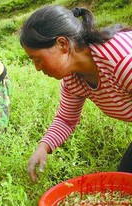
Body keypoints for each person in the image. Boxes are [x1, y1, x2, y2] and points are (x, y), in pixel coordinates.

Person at [19, 5, 132, 182]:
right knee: (123, 181)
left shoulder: (122, 61)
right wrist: (43, 147)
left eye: (38, 59)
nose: (37, 68)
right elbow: (66, 119)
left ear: (62, 44)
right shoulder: (73, 78)